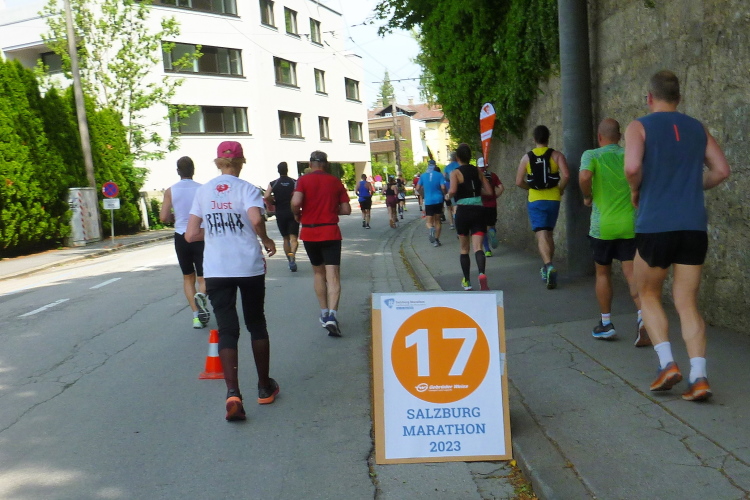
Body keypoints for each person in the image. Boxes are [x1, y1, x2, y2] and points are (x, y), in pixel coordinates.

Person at [624, 70, 730, 401]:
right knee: (686, 301)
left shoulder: (638, 126)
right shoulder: (697, 128)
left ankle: (667, 363)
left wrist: (635, 190)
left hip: (655, 224)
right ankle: (699, 376)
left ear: (649, 97)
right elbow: (721, 171)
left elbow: (631, 167)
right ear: (679, 98)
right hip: (693, 226)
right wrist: (692, 185)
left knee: (647, 293)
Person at [185, 141, 279, 422]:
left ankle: (233, 394)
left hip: (217, 269)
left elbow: (190, 234)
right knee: (256, 323)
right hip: (248, 266)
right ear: (241, 162)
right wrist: (265, 239)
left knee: (227, 329)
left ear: (218, 162)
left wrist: (216, 232)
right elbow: (255, 219)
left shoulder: (204, 191)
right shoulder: (248, 189)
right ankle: (264, 387)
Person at [580, 118, 649, 346]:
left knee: (603, 274)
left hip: (602, 228)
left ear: (599, 137)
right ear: (619, 137)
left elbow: (585, 176)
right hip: (629, 224)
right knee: (631, 274)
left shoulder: (591, 155)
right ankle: (643, 319)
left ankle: (606, 324)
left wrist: (587, 196)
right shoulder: (628, 155)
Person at [291, 150, 352, 337]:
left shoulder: (303, 180)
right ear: (326, 164)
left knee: (318, 272)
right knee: (333, 275)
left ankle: (324, 312)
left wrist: (297, 214)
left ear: (310, 164)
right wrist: (331, 211)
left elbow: (296, 202)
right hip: (330, 231)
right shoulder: (335, 181)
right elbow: (346, 209)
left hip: (310, 233)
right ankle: (333, 315)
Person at [515, 125, 570, 289]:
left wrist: (529, 188)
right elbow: (566, 175)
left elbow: (518, 181)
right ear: (548, 138)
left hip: (535, 199)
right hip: (553, 199)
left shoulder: (527, 158)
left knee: (541, 235)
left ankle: (548, 265)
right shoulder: (556, 155)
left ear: (534, 139)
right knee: (549, 234)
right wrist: (560, 189)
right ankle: (548, 267)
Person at [159, 156, 210, 330]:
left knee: (188, 277)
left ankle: (196, 316)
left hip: (181, 236)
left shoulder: (170, 191)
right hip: (200, 235)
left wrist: (174, 217)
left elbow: (163, 217)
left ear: (178, 171)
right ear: (193, 170)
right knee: (204, 277)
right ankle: (202, 295)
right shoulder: (203, 189)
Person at [447, 143, 493, 291]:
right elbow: (489, 191)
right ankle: (481, 274)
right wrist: (477, 193)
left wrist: (448, 195)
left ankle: (467, 281)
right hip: (479, 210)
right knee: (478, 247)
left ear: (457, 157)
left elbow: (453, 190)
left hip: (463, 212)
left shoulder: (455, 173)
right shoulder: (477, 171)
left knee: (464, 248)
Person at [264, 162, 299, 272]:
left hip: (280, 213)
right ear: (287, 170)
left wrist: (273, 202)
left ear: (278, 171)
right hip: (292, 212)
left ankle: (290, 259)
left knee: (286, 238)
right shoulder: (294, 182)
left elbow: (266, 196)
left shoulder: (274, 183)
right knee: (294, 238)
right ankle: (293, 255)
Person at [477, 158, 503, 257]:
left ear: (478, 166)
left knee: (482, 228)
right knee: (491, 225)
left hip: (481, 204)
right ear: (487, 166)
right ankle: (492, 231)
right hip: (492, 204)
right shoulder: (493, 175)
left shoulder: (477, 176)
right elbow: (501, 188)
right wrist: (495, 196)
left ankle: (487, 250)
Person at [417, 161, 447, 247]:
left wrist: (422, 195)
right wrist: (445, 194)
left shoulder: (423, 175)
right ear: (435, 165)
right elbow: (443, 187)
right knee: (437, 220)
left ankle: (431, 228)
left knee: (429, 222)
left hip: (429, 201)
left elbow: (417, 188)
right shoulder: (439, 175)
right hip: (438, 200)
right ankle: (436, 240)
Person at [443, 151, 459, 229]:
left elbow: (444, 177)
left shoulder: (447, 167)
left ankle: (452, 224)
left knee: (450, 207)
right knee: (458, 205)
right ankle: (458, 221)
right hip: (459, 188)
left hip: (449, 189)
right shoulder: (459, 165)